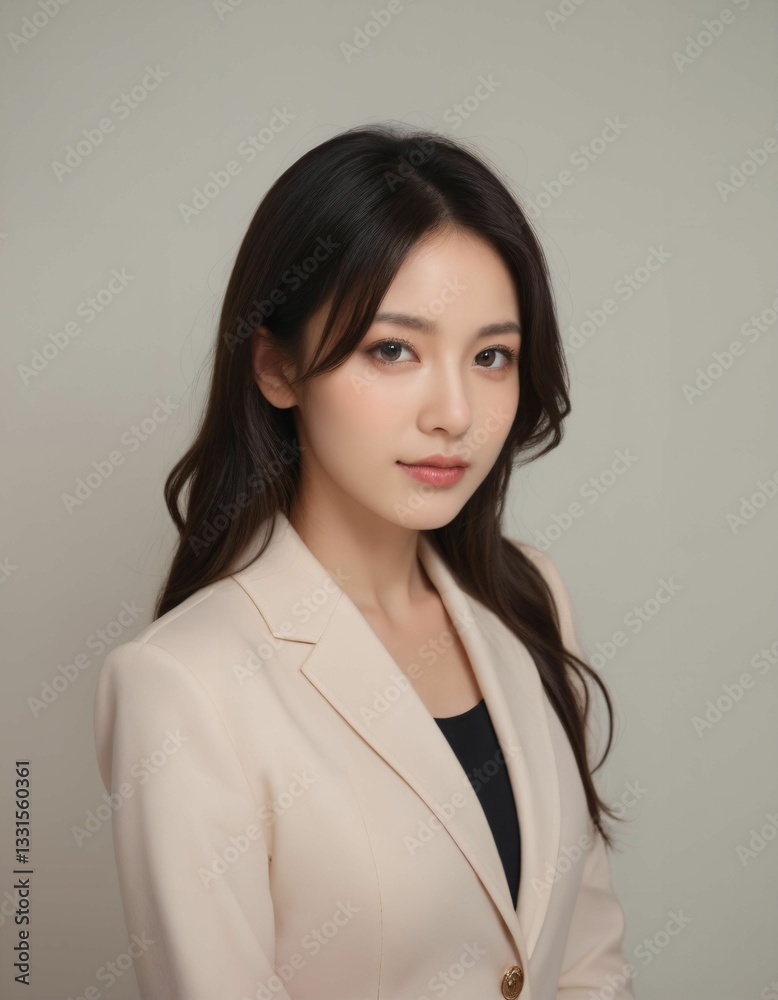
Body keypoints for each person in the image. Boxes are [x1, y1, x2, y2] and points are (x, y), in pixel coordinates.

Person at [93, 122, 636, 1000]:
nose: (455, 412)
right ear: (276, 365)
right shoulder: (182, 686)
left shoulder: (530, 597)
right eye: (394, 350)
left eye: (491, 355)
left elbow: (586, 960)